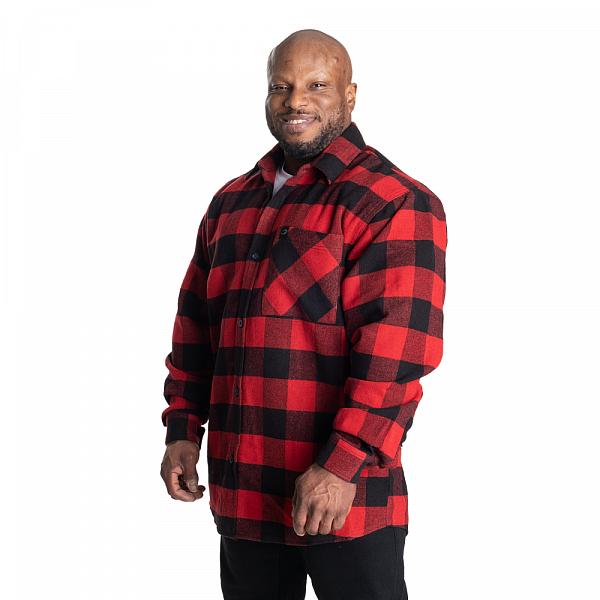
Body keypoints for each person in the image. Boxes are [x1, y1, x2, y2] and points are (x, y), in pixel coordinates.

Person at [160, 28, 447, 600]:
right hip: (244, 489)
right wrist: (182, 429)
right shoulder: (231, 202)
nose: (296, 100)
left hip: (344, 496)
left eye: (317, 85)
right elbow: (196, 328)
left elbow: (396, 354)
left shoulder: (392, 200)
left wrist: (341, 465)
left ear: (350, 95)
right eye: (281, 86)